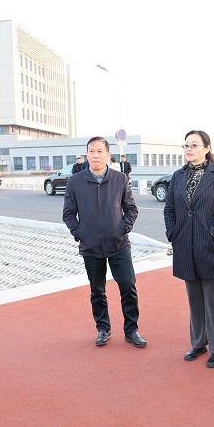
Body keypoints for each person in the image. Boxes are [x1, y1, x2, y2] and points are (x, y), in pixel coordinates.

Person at [62, 137, 146, 348]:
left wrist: (122, 229)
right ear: (86, 154)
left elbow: (131, 210)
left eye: (100, 151)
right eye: (92, 151)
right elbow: (68, 214)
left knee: (128, 286)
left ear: (108, 154)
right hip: (90, 246)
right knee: (97, 290)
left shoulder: (120, 179)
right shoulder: (75, 181)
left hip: (119, 245)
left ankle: (132, 330)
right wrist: (80, 233)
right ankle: (103, 329)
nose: (95, 155)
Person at [164, 130, 214, 368]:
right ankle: (198, 342)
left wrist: (213, 232)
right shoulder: (178, 176)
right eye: (186, 145)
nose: (189, 149)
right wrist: (172, 233)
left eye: (194, 145)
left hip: (209, 244)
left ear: (207, 148)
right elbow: (169, 208)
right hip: (184, 244)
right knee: (194, 299)